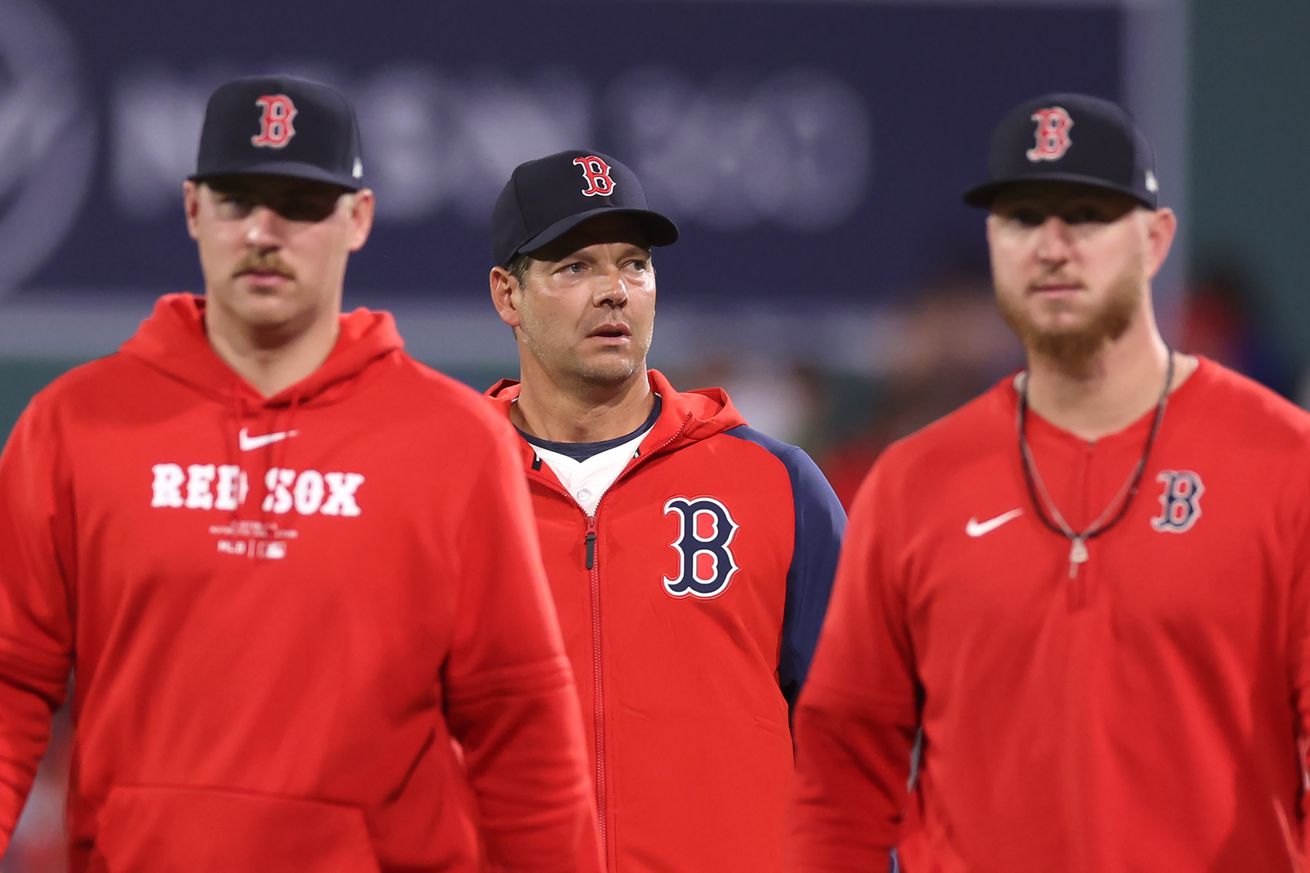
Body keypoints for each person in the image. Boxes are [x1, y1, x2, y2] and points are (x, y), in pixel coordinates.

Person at [0, 75, 601, 872]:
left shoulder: (453, 443)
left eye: (300, 203)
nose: (263, 230)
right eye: (237, 199)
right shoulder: (75, 424)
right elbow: (7, 683)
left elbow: (520, 724)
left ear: (358, 219)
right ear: (192, 209)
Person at [786, 93, 1310, 872]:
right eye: (1023, 217)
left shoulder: (1283, 463)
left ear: (1156, 240)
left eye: (1088, 217)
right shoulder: (914, 481)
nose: (1052, 247)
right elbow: (842, 770)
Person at [485, 150, 846, 872]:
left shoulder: (777, 483)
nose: (614, 290)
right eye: (574, 267)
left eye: (634, 264)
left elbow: (860, 744)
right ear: (507, 295)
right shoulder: (446, 487)